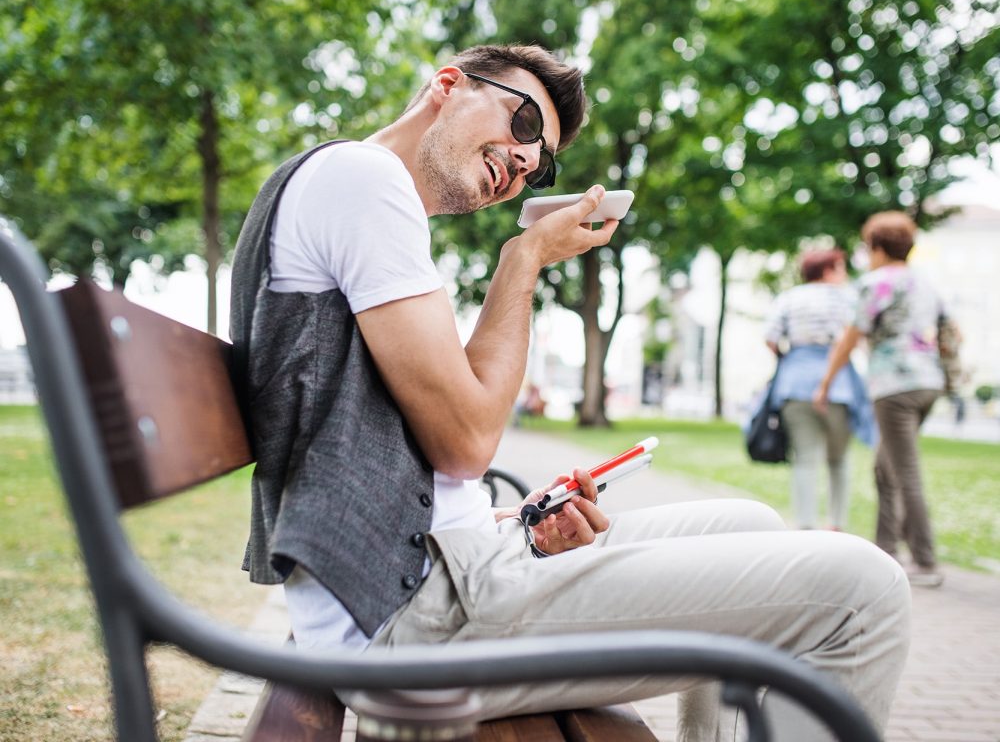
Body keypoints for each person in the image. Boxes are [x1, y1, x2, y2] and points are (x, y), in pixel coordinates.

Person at [230, 44, 910, 739]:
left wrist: (515, 522)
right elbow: (466, 441)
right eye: (523, 123)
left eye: (542, 161)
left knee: (751, 524)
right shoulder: (364, 178)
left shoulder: (367, 199)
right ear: (447, 85)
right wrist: (522, 261)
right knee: (864, 587)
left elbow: (407, 446)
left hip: (436, 573)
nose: (525, 163)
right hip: (409, 616)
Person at [815, 211, 946, 588]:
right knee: (884, 469)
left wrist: (825, 382)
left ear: (877, 246)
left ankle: (925, 560)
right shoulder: (925, 282)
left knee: (904, 473)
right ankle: (886, 551)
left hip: (895, 387)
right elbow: (950, 328)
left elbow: (851, 337)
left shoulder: (877, 283)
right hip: (928, 382)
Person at [764, 249, 875, 531]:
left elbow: (771, 338)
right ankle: (837, 523)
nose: (844, 273)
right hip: (841, 385)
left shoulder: (790, 298)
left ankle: (805, 525)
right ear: (828, 270)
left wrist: (789, 358)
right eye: (840, 267)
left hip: (796, 383)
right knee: (838, 459)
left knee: (804, 458)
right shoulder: (850, 297)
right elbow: (860, 338)